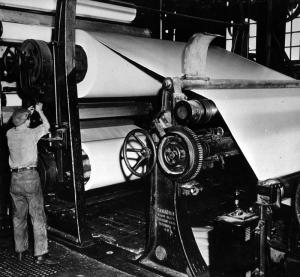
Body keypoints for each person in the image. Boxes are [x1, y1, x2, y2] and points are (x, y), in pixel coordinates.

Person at [6, 103, 56, 265]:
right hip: (30, 178)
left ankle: (20, 251)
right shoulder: (32, 133)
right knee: (38, 216)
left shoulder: (9, 134)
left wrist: (26, 112)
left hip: (14, 180)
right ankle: (40, 255)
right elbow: (47, 126)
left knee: (18, 217)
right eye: (28, 119)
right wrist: (40, 111)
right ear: (27, 121)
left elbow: (16, 123)